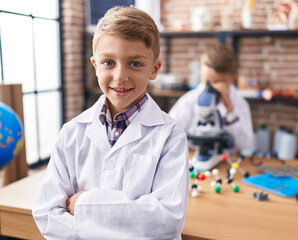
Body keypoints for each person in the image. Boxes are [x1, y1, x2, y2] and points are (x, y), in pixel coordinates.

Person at [33, 6, 189, 240]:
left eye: (135, 63)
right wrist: (128, 218)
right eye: (108, 62)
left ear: (154, 69)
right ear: (95, 65)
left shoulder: (170, 135)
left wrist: (84, 203)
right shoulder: (72, 132)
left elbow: (166, 219)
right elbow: (47, 214)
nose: (120, 76)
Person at [169, 44, 253, 152]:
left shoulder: (239, 103)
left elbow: (244, 143)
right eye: (207, 82)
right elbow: (169, 135)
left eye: (218, 83)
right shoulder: (188, 101)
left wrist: (230, 109)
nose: (210, 88)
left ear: (233, 79)